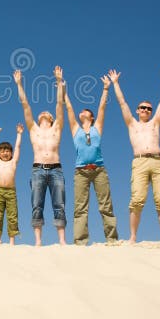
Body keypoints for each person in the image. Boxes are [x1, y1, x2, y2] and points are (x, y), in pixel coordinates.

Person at [109, 68, 160, 244]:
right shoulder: (132, 124)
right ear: (137, 110)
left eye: (148, 108)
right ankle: (133, 237)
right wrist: (115, 83)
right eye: (143, 108)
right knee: (137, 200)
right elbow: (122, 103)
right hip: (139, 162)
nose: (146, 110)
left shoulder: (155, 123)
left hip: (158, 161)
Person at [14, 66, 67, 246]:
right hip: (37, 169)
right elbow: (25, 105)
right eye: (41, 112)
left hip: (56, 169)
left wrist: (59, 82)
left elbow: (60, 105)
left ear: (52, 119)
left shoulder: (57, 128)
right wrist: (19, 84)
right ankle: (38, 241)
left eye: (47, 113)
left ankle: (62, 240)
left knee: (59, 204)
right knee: (37, 205)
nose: (44, 112)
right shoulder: (33, 129)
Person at [64, 75, 118, 245]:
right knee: (80, 208)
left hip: (99, 170)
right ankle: (80, 241)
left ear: (91, 117)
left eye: (85, 111)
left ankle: (112, 239)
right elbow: (69, 109)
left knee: (106, 206)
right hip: (81, 172)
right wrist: (63, 89)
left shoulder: (97, 128)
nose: (82, 112)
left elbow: (102, 108)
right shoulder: (75, 130)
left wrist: (106, 88)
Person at [0, 123, 23, 245]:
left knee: (12, 216)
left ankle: (11, 240)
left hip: (11, 192)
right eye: (3, 151)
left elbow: (18, 147)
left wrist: (19, 134)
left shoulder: (14, 161)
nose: (5, 153)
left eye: (8, 151)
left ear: (11, 153)